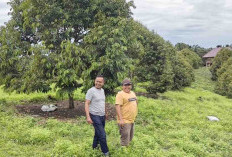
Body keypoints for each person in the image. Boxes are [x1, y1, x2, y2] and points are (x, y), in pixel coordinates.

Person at [85, 75, 109, 156]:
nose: (98, 83)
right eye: (97, 81)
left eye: (100, 82)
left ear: (103, 83)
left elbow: (102, 102)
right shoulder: (91, 91)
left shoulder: (102, 90)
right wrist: (88, 116)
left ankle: (94, 147)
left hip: (102, 116)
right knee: (102, 135)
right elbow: (87, 103)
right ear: (95, 81)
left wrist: (105, 112)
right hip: (94, 115)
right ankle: (106, 152)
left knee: (98, 133)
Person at [115, 78, 138, 146]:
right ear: (122, 86)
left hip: (132, 120)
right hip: (124, 121)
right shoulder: (120, 94)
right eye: (125, 85)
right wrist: (121, 119)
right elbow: (117, 106)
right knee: (125, 139)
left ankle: (127, 151)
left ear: (131, 86)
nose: (127, 87)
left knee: (130, 138)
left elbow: (136, 102)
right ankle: (123, 152)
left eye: (129, 85)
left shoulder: (133, 93)